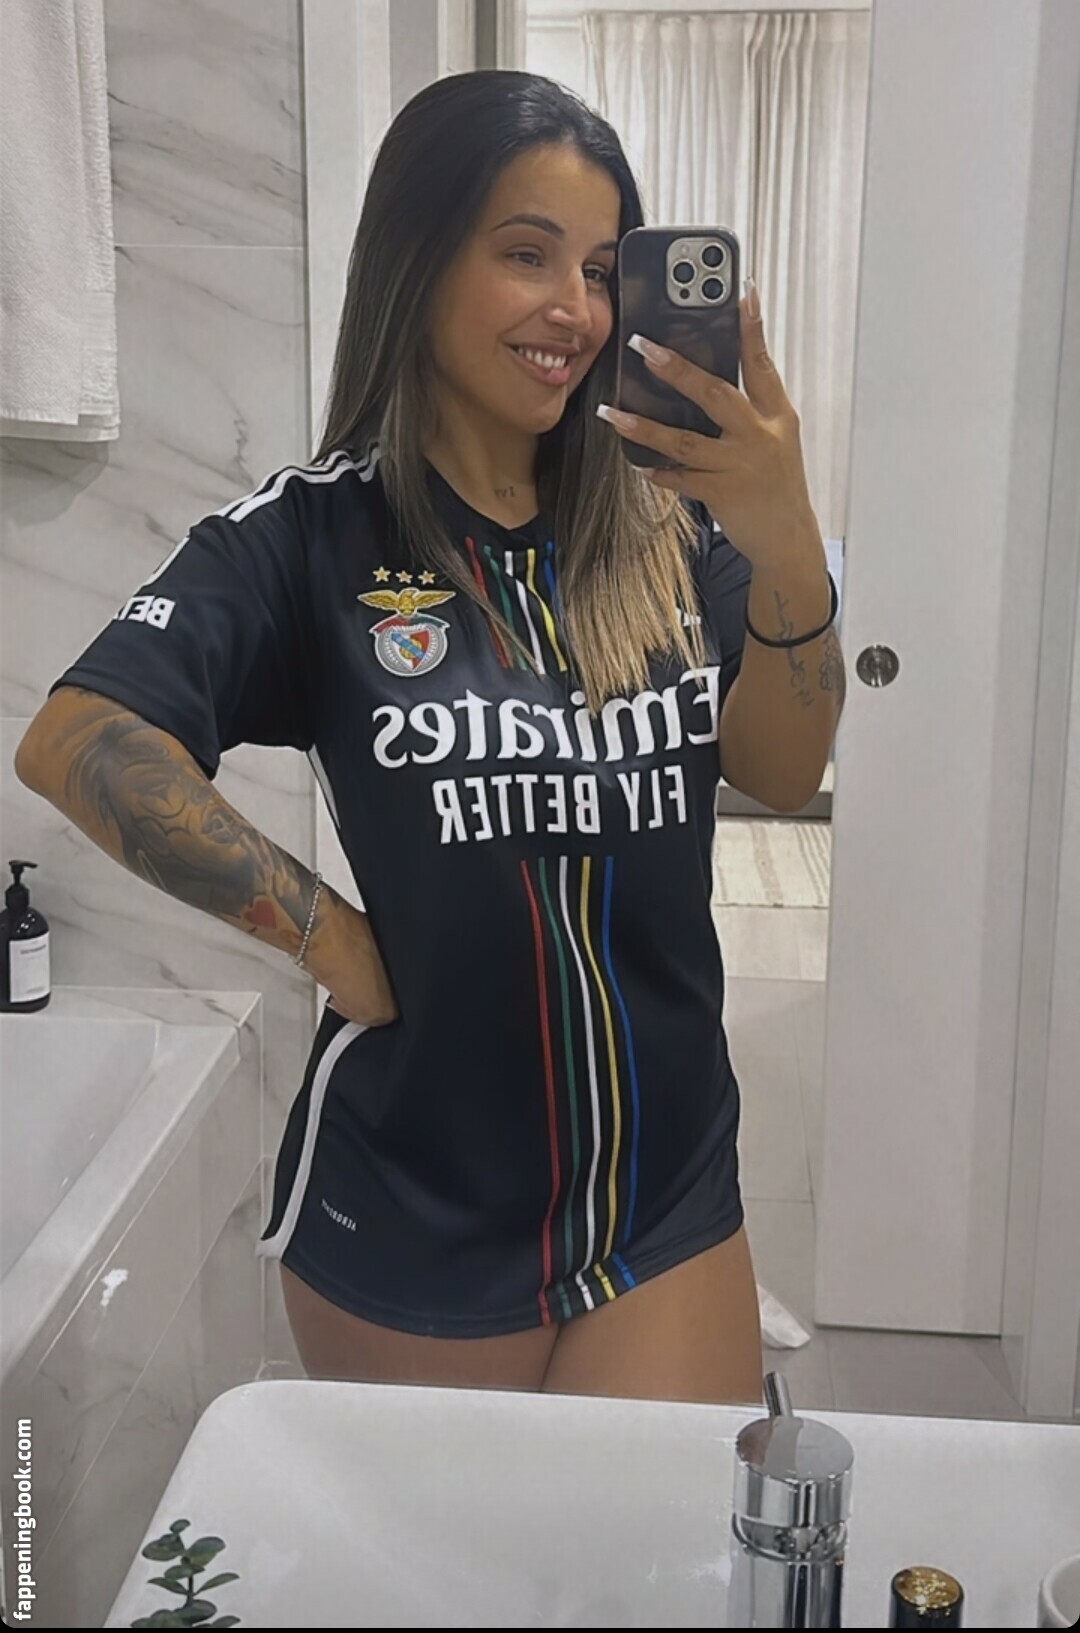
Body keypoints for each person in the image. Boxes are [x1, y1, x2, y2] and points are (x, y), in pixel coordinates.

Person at [15, 71, 844, 1405]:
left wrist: (788, 536)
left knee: (657, 1535)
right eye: (526, 254)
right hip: (419, 1204)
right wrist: (331, 939)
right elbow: (77, 736)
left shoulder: (674, 530)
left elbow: (786, 773)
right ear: (418, 256)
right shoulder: (309, 538)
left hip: (665, 1188)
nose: (575, 309)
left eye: (599, 269)